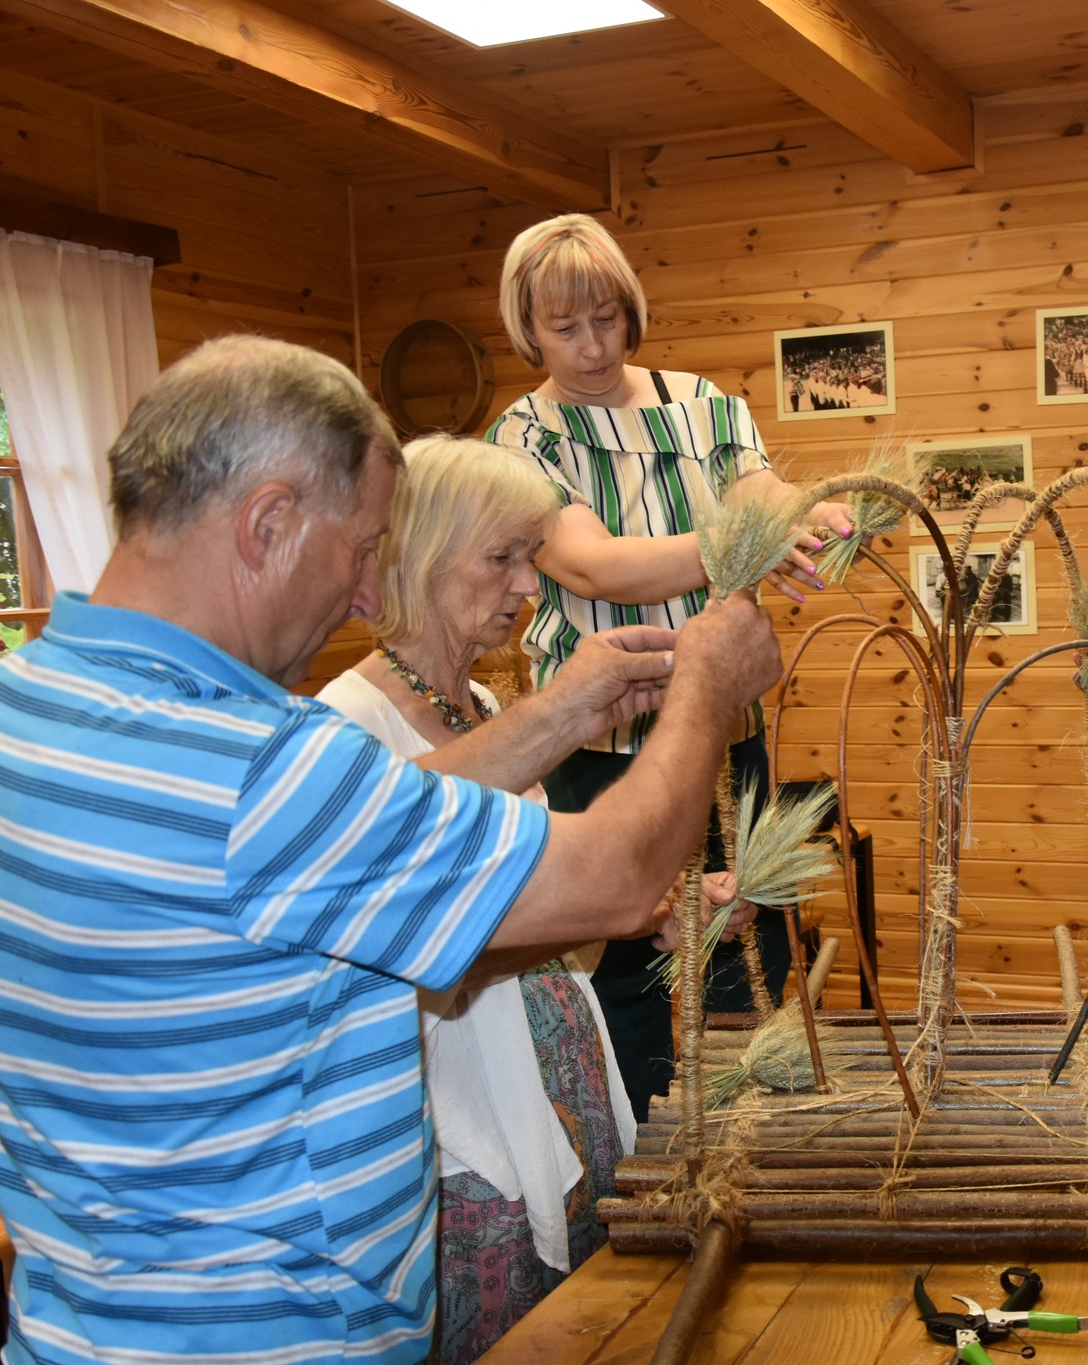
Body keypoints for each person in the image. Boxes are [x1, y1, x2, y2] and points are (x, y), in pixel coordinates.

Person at [0, 335, 782, 1364]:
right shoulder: (262, 770)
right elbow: (618, 874)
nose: (369, 595)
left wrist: (562, 709)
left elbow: (362, 823)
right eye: (362, 548)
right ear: (268, 522)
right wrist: (704, 692)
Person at [315, 435, 747, 1363]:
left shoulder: (476, 703)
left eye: (532, 556)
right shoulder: (347, 728)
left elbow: (537, 904)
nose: (525, 586)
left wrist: (666, 906)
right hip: (467, 1139)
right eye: (502, 557)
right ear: (423, 551)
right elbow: (418, 954)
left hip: (561, 1092)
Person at [490, 213, 853, 1121]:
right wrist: (743, 539)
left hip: (725, 732)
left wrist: (807, 514)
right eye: (565, 327)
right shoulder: (525, 435)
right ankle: (643, 1144)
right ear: (527, 328)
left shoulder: (702, 404)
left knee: (748, 936)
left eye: (607, 318)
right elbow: (593, 565)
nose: (591, 345)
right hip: (601, 745)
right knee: (627, 950)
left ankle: (750, 1132)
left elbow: (758, 489)